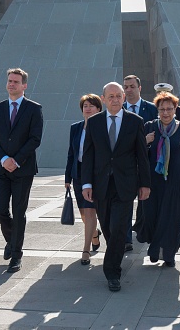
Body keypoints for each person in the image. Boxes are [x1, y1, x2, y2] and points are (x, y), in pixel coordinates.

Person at [82, 82, 150, 292]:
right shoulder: (93, 122)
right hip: (101, 185)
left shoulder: (135, 121)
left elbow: (141, 155)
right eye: (110, 96)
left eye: (118, 96)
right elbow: (88, 155)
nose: (114, 100)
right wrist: (86, 183)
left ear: (123, 98)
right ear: (103, 99)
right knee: (109, 228)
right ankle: (114, 253)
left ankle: (112, 272)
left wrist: (145, 183)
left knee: (120, 227)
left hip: (125, 184)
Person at [0, 68, 43, 273]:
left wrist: (16, 160)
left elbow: (35, 139)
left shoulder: (34, 109)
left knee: (19, 212)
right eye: (9, 81)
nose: (12, 84)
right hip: (2, 169)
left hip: (23, 169)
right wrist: (3, 159)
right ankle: (11, 240)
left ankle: (16, 255)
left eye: (16, 82)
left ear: (24, 85)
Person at [137, 91, 180, 267]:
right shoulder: (149, 127)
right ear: (157, 110)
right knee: (152, 215)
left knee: (172, 216)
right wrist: (145, 142)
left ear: (175, 109)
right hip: (153, 180)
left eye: (169, 109)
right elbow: (135, 152)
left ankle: (168, 253)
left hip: (176, 180)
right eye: (162, 109)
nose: (165, 113)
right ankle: (154, 246)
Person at [65, 94, 103, 266]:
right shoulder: (76, 128)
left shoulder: (102, 127)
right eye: (85, 106)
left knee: (90, 211)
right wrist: (67, 178)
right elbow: (71, 154)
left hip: (95, 175)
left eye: (91, 105)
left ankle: (86, 250)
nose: (87, 108)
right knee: (83, 213)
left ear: (99, 109)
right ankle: (94, 233)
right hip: (78, 173)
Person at [123, 74, 157, 252]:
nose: (128, 90)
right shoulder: (118, 109)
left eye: (132, 86)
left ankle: (145, 232)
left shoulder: (152, 109)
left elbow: (159, 135)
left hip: (147, 164)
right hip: (125, 166)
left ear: (140, 88)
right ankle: (126, 238)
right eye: (126, 87)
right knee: (125, 202)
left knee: (146, 203)